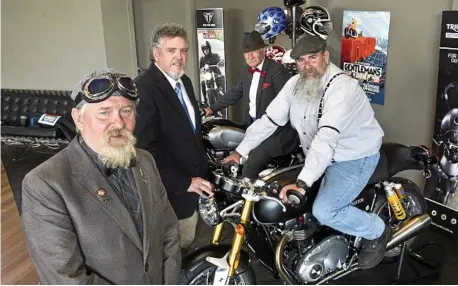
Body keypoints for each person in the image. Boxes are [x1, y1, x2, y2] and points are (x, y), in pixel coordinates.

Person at [224, 34, 391, 269]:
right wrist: (240, 152)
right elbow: (269, 120)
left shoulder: (343, 87)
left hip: (353, 156)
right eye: (301, 60)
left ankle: (377, 232)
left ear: (325, 55)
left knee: (325, 210)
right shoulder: (295, 84)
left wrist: (302, 183)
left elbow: (327, 137)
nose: (307, 65)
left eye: (312, 58)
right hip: (319, 154)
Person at [21, 69, 181, 284]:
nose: (118, 123)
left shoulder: (145, 161)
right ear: (78, 119)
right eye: (104, 112)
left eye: (126, 111)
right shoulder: (45, 184)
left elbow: (169, 230)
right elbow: (66, 277)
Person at [134, 23, 214, 250]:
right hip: (169, 193)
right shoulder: (144, 88)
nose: (179, 57)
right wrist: (184, 182)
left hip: (192, 188)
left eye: (183, 51)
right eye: (171, 51)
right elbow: (145, 149)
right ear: (156, 54)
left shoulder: (184, 82)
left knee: (186, 245)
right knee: (170, 254)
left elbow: (189, 132)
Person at [204, 30, 299, 180]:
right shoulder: (248, 71)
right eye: (246, 53)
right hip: (253, 127)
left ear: (263, 50)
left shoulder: (277, 71)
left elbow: (287, 106)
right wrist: (212, 108)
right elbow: (236, 92)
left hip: (275, 133)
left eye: (253, 51)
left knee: (249, 168)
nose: (250, 56)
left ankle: (250, 201)